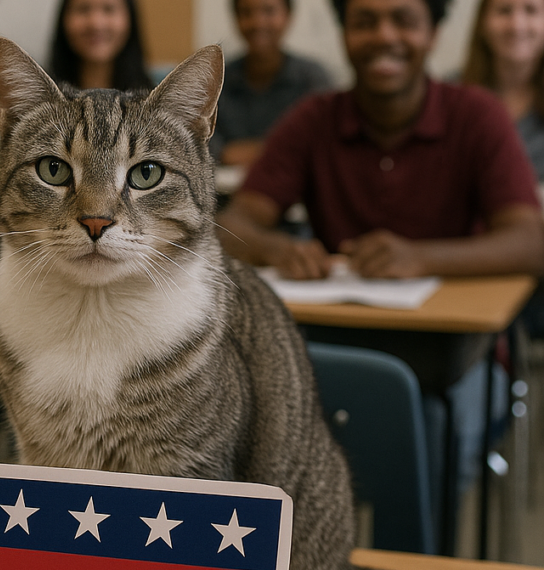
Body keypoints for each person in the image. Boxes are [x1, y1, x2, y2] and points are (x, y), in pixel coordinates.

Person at [216, 0, 544, 552]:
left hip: (458, 360)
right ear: (344, 33)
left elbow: (530, 240)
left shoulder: (476, 115)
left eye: (404, 20)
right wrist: (278, 248)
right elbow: (231, 222)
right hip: (330, 348)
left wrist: (423, 257)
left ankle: (417, 553)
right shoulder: (316, 118)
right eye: (365, 21)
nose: (383, 36)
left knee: (432, 424)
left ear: (434, 33)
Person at [212, 0, 333, 167]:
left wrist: (240, 152)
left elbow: (323, 144)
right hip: (224, 188)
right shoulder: (218, 78)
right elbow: (201, 144)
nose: (258, 22)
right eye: (246, 13)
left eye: (269, 11)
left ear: (288, 17)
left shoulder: (312, 78)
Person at [461, 0, 544, 182]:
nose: (517, 25)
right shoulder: (450, 93)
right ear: (483, 22)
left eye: (530, 10)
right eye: (504, 11)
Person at [48, 0, 153, 91]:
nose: (96, 24)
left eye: (109, 9)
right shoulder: (38, 99)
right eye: (83, 9)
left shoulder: (157, 99)